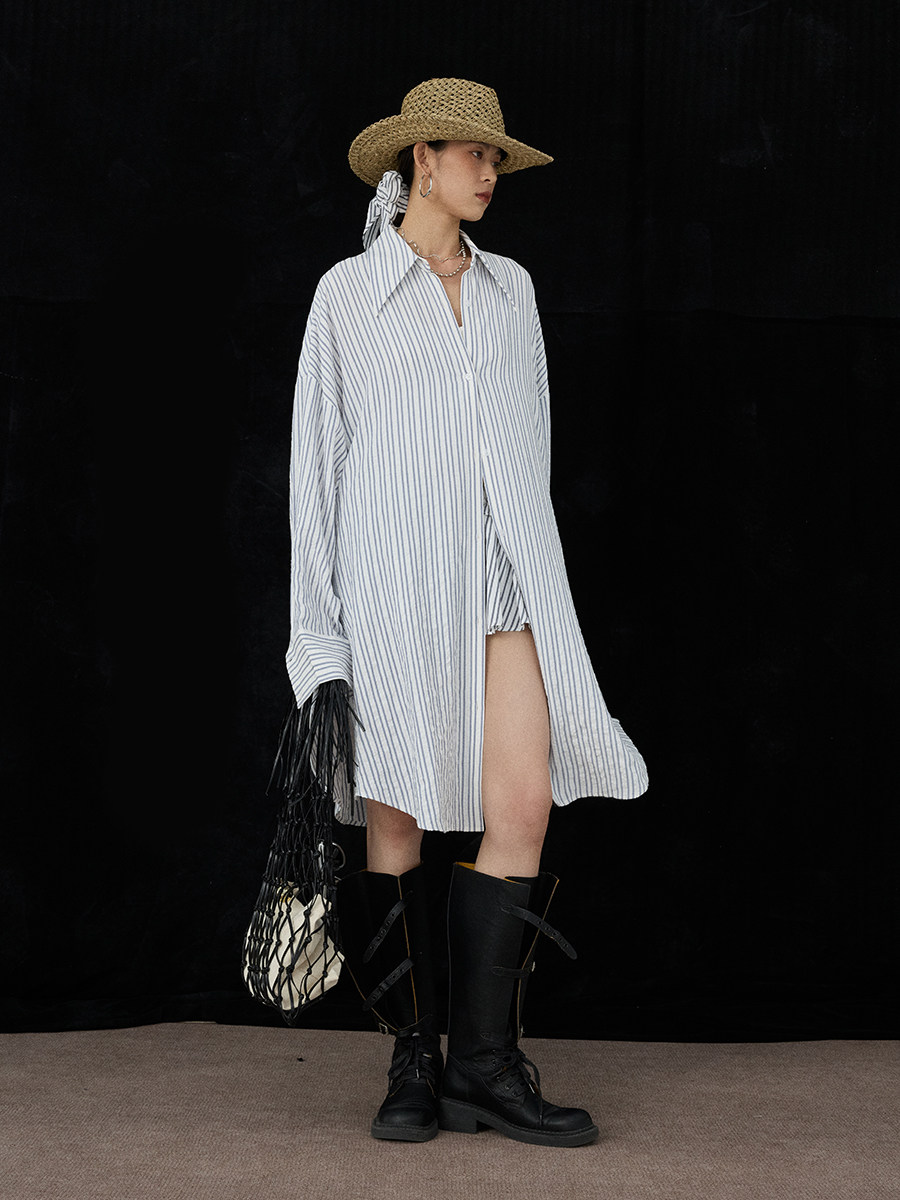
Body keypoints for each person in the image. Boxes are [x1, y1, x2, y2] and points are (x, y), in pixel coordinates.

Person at [286, 78, 648, 1147]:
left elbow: (531, 450)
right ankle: (413, 1062)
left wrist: (536, 573)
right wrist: (318, 644)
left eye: (496, 157)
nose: (489, 172)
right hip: (391, 589)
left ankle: (483, 1066)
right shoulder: (347, 296)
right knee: (395, 818)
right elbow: (315, 475)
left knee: (522, 804)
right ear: (421, 162)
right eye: (472, 154)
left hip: (502, 586)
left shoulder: (510, 290)